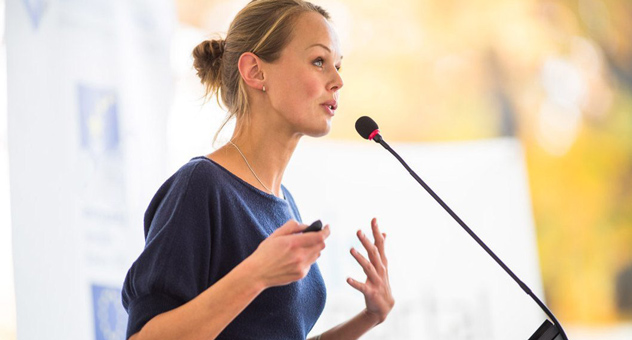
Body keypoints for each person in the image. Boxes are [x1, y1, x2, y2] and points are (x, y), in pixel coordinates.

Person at [121, 0, 394, 339]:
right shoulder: (202, 186)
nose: (338, 80)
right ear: (254, 71)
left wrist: (369, 317)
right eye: (319, 61)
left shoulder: (285, 203)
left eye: (338, 66)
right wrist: (256, 274)